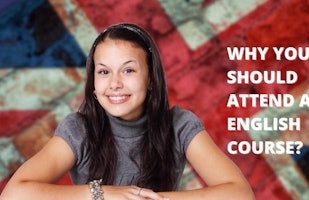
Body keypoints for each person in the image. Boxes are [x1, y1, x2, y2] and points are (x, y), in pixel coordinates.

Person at [1, 23, 254, 200]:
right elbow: (14, 194)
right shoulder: (79, 129)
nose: (114, 83)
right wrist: (103, 194)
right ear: (93, 82)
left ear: (151, 79)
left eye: (129, 70)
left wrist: (148, 199)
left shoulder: (179, 125)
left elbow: (239, 194)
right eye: (103, 72)